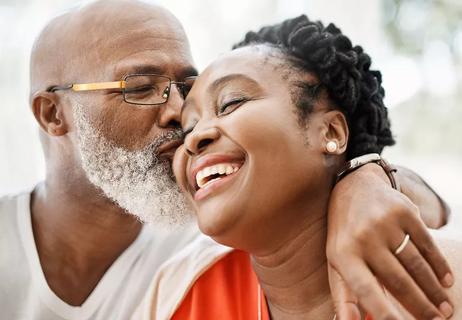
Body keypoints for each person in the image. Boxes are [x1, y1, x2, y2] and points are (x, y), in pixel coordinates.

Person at [0, 1, 453, 319]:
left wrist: (366, 174)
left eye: (188, 89)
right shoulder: (186, 278)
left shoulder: (211, 236)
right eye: (139, 88)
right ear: (53, 114)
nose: (182, 118)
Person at [134, 15, 461, 320]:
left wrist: (371, 176)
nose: (194, 139)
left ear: (330, 132)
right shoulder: (177, 292)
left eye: (231, 103)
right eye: (188, 127)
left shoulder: (439, 284)